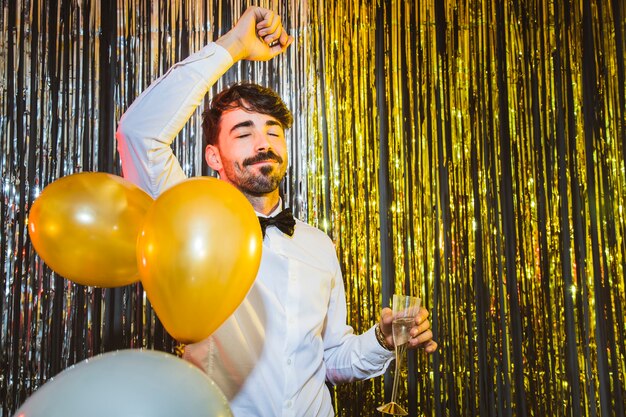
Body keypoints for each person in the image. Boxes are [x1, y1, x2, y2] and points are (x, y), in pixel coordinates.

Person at [116, 6, 437, 416]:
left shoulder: (319, 245)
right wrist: (233, 46)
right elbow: (138, 132)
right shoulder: (187, 221)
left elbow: (330, 359)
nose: (263, 142)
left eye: (272, 130)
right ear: (213, 156)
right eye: (243, 131)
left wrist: (381, 340)